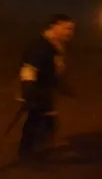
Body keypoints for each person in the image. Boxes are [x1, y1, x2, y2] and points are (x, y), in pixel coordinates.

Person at [17, 14, 75, 161]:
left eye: (71, 29)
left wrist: (61, 85)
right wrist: (29, 89)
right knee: (37, 120)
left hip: (45, 91)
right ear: (54, 26)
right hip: (36, 90)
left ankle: (38, 147)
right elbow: (29, 68)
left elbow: (53, 68)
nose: (70, 32)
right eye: (66, 28)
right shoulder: (40, 45)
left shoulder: (55, 45)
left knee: (46, 120)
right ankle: (27, 153)